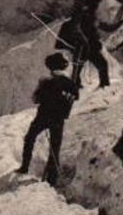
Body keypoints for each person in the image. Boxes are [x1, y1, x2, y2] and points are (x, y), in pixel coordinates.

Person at [17, 52, 78, 187]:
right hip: (58, 119)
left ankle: (24, 167)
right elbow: (75, 96)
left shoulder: (45, 82)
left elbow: (35, 99)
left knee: (29, 138)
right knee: (55, 148)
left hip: (43, 117)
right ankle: (52, 180)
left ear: (50, 68)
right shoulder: (69, 83)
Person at [56, 0, 118, 89]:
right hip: (85, 47)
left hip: (88, 48)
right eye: (95, 2)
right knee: (84, 68)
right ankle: (101, 87)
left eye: (96, 3)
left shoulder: (92, 17)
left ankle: (102, 86)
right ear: (90, 4)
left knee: (90, 66)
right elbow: (77, 30)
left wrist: (122, 22)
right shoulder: (83, 16)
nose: (96, 5)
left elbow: (107, 27)